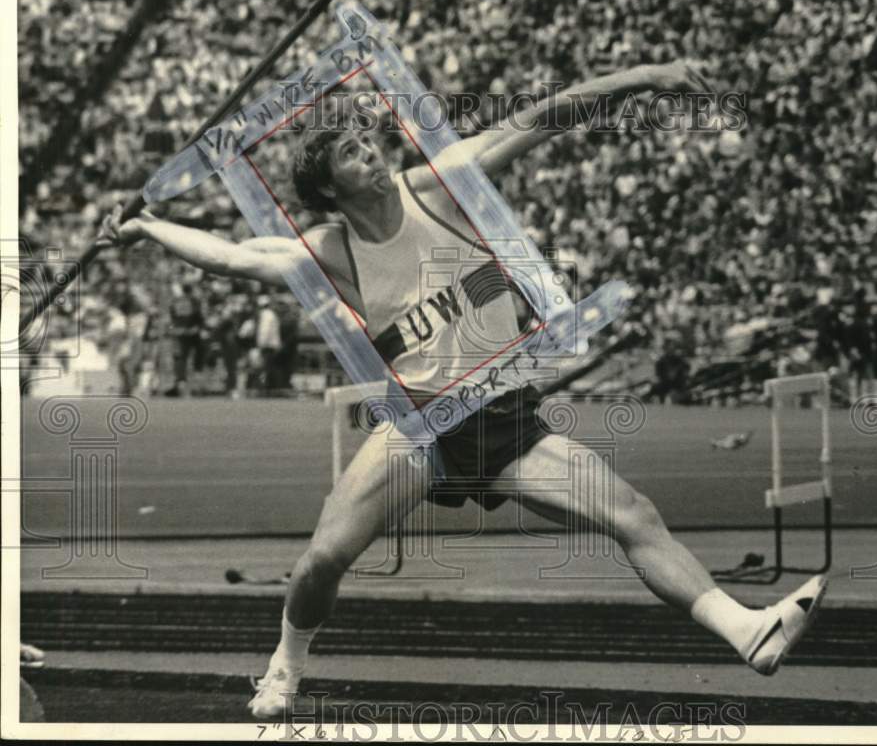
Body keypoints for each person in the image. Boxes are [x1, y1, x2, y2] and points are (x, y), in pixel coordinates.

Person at [99, 60, 826, 719]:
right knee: (322, 560)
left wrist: (649, 76)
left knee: (632, 513)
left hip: (500, 419)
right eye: (351, 152)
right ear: (328, 190)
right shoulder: (332, 251)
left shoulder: (443, 187)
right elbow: (235, 258)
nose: (370, 151)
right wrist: (151, 228)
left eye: (367, 141)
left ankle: (747, 630)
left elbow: (546, 116)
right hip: (420, 429)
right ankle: (285, 668)